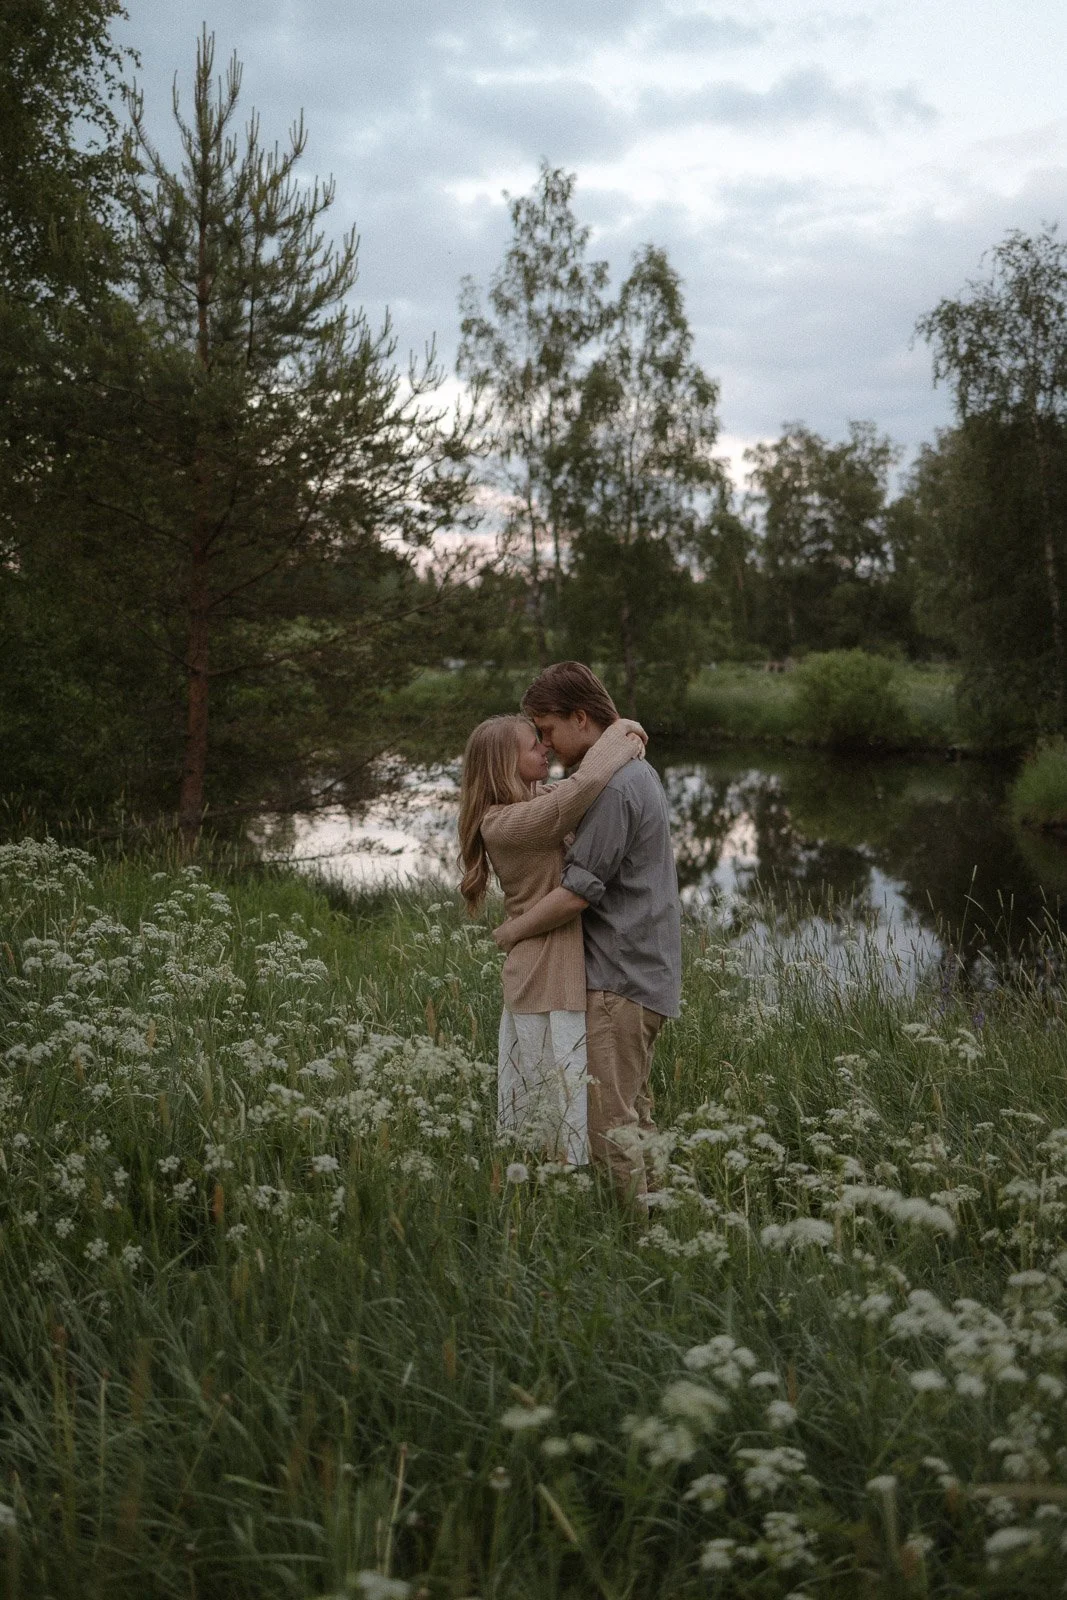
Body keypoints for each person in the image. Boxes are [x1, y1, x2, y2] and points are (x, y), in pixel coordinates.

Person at [493, 663, 681, 1202]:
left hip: (618, 978)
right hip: (644, 973)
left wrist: (512, 931)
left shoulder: (616, 785)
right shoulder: (631, 771)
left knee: (607, 1124)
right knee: (634, 1115)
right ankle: (656, 1219)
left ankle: (632, 1240)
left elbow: (578, 892)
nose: (546, 745)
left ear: (581, 718)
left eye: (546, 729)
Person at [458, 712, 646, 1164]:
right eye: (532, 744)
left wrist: (625, 743)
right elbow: (582, 789)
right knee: (547, 1107)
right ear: (505, 762)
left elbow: (583, 788)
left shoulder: (536, 801)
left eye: (544, 738)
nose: (545, 747)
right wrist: (623, 733)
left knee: (568, 1099)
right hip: (541, 974)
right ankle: (546, 1204)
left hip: (556, 968)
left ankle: (564, 1194)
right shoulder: (504, 823)